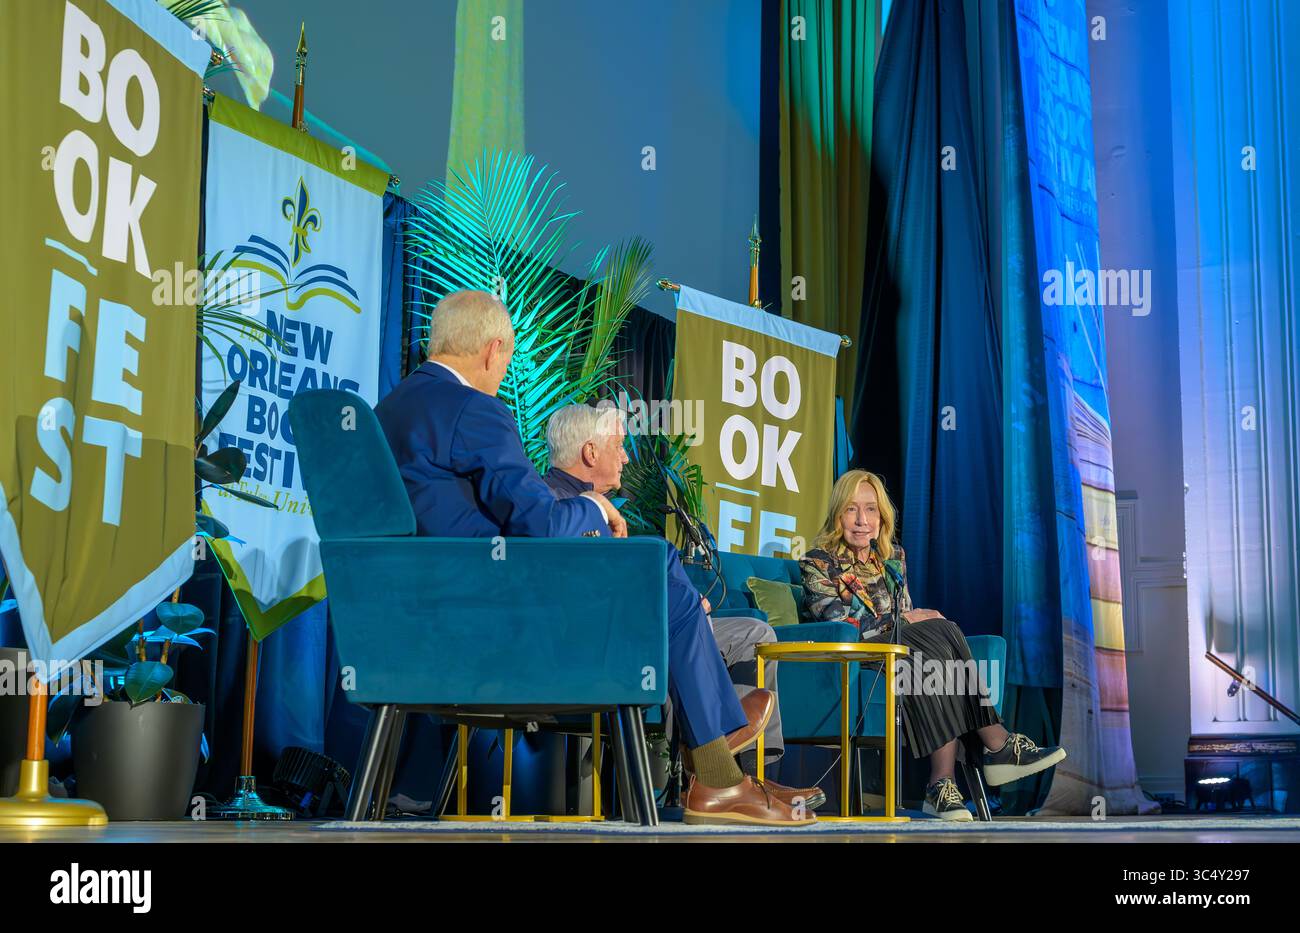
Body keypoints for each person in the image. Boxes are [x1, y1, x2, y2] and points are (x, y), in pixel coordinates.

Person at [374, 289, 814, 826]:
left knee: (660, 575)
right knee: (667, 589)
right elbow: (541, 526)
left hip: (416, 626)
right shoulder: (476, 411)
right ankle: (717, 769)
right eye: (506, 361)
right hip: (499, 628)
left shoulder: (384, 414)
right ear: (493, 351)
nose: (503, 373)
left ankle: (720, 766)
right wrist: (593, 505)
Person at [542, 403, 826, 811]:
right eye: (619, 446)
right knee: (676, 598)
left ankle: (750, 779)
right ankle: (718, 770)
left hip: (653, 627)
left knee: (755, 633)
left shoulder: (603, 511)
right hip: (610, 644)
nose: (626, 458)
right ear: (590, 452)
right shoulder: (553, 503)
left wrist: (689, 605)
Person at [800, 469, 1067, 820]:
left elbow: (908, 622)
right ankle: (994, 746)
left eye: (871, 509)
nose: (862, 520)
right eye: (852, 509)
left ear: (882, 517)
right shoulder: (817, 562)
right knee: (939, 632)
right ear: (838, 514)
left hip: (904, 656)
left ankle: (943, 785)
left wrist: (911, 622)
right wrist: (906, 621)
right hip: (857, 657)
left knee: (936, 649)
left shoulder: (892, 558)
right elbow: (838, 626)